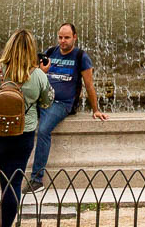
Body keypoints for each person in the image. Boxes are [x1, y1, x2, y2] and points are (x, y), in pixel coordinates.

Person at [0, 29, 54, 227]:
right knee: (12, 186)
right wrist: (41, 74)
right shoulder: (38, 76)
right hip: (21, 136)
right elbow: (47, 102)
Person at [27, 23, 107, 193]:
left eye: (67, 38)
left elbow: (89, 85)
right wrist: (40, 71)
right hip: (41, 99)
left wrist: (96, 110)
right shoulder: (50, 52)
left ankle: (37, 180)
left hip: (62, 104)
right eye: (60, 37)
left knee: (43, 130)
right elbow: (34, 76)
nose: (63, 41)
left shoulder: (81, 56)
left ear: (75, 37)